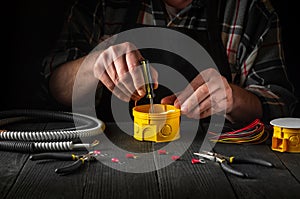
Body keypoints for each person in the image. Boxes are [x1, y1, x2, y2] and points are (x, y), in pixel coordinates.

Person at [41, 0, 297, 124]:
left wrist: (234, 99)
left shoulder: (250, 10)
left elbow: (282, 105)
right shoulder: (102, 3)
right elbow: (53, 85)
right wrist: (94, 63)